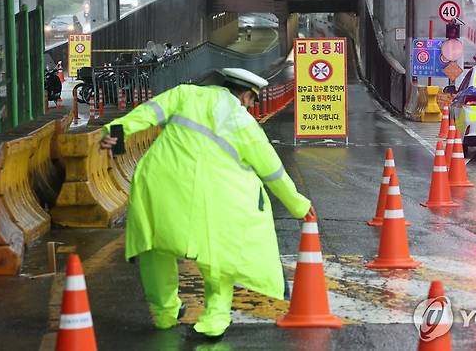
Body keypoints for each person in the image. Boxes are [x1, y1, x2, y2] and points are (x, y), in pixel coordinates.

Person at [100, 68, 315, 338]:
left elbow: (145, 114)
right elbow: (273, 172)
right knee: (218, 256)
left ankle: (165, 314)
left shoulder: (186, 94)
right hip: (211, 196)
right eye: (252, 101)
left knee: (155, 249)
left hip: (159, 185)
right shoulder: (245, 124)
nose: (251, 106)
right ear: (247, 95)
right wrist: (298, 205)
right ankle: (213, 320)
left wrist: (114, 132)